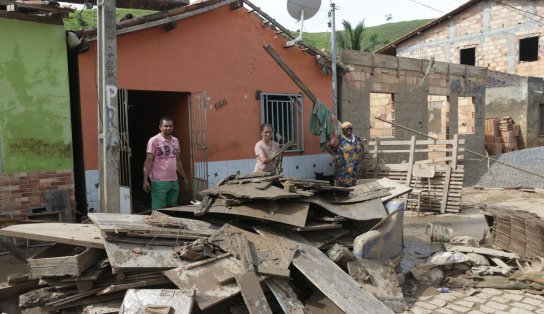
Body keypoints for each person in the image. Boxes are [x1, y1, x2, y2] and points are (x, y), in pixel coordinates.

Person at [143, 116, 188, 209]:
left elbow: (178, 160)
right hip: (159, 182)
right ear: (160, 127)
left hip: (174, 181)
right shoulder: (154, 140)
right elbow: (148, 161)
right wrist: (145, 180)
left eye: (170, 126)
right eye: (166, 126)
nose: (168, 128)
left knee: (172, 208)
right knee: (159, 210)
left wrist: (184, 177)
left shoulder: (175, 140)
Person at [327, 121, 365, 187]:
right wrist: (335, 155)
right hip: (344, 168)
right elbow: (328, 146)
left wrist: (361, 158)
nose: (349, 130)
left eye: (350, 128)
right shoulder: (339, 138)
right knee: (345, 185)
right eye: (347, 129)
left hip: (356, 168)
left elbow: (362, 147)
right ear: (343, 130)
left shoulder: (357, 138)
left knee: (357, 185)